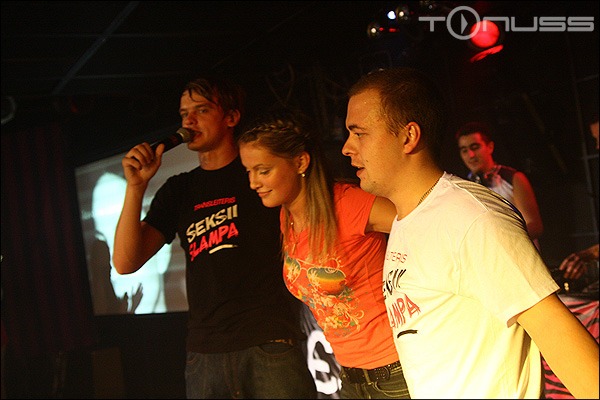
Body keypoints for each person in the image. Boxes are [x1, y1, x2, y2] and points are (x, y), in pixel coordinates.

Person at [341, 67, 599, 399]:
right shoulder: (408, 219)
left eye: (359, 133)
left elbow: (556, 332)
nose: (347, 148)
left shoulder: (471, 216)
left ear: (408, 136)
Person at [112, 76, 317, 399]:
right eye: (184, 114)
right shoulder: (179, 190)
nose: (189, 121)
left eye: (202, 110)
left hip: (268, 340)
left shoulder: (259, 174)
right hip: (205, 351)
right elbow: (125, 263)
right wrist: (136, 187)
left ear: (231, 117)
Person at [238, 108, 410, 399]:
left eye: (263, 171)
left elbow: (426, 222)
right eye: (249, 171)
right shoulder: (287, 217)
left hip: (396, 372)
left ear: (300, 162)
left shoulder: (349, 204)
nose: (253, 182)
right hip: (350, 377)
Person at [455, 121, 544, 250]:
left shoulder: (514, 178)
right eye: (464, 150)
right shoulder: (463, 187)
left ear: (490, 147)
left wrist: (500, 245)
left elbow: (534, 226)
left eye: (475, 147)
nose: (471, 155)